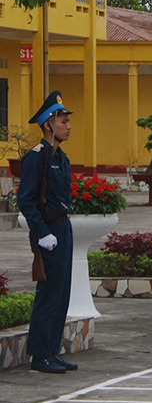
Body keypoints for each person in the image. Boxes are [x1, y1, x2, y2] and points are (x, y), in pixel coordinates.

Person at [17, 91, 76, 374]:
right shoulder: (36, 158)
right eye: (63, 121)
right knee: (48, 293)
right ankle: (39, 356)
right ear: (48, 124)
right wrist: (41, 234)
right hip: (48, 232)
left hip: (63, 228)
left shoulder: (60, 158)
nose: (68, 126)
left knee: (62, 293)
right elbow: (26, 201)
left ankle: (52, 351)